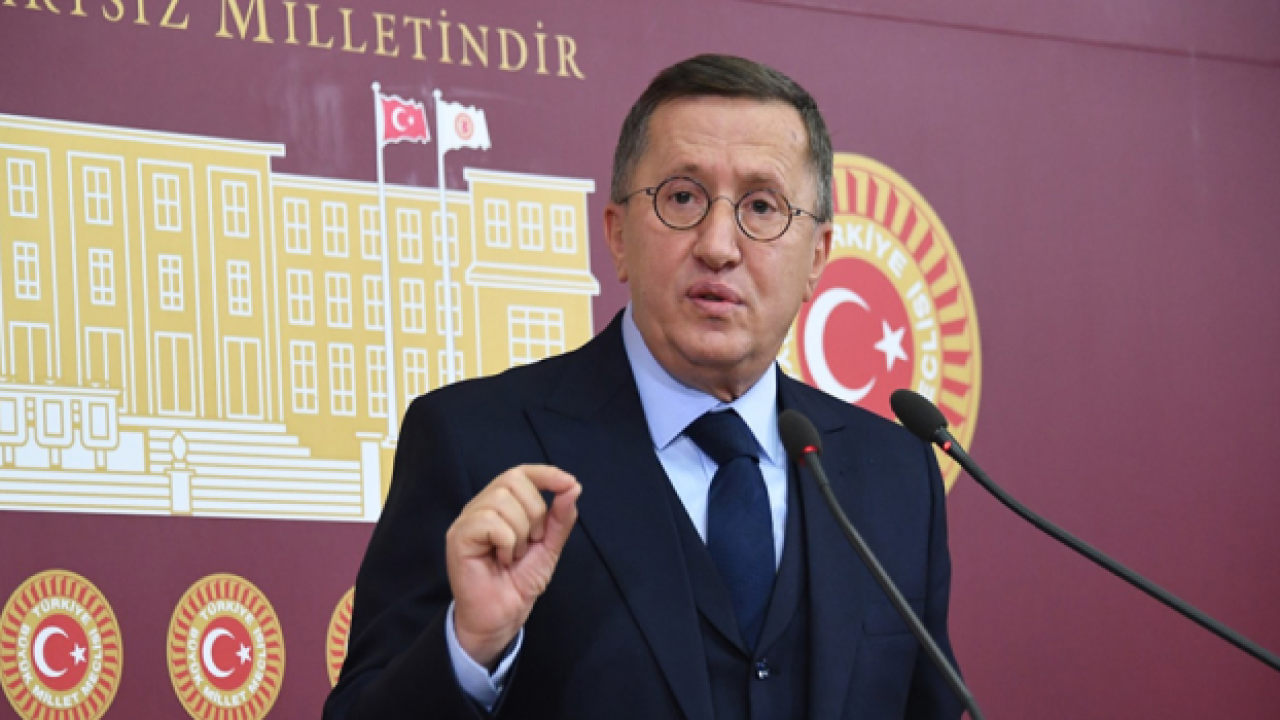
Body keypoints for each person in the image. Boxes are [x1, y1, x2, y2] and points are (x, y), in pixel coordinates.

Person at [324, 53, 962, 720]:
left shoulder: (894, 476)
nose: (719, 245)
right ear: (619, 236)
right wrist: (470, 648)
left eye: (762, 206)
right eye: (682, 197)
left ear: (817, 259)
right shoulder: (474, 442)